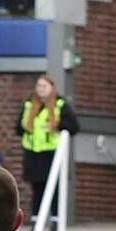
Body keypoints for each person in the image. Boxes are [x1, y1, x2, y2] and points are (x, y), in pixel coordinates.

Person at [19, 75, 77, 213]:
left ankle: (56, 222)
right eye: (39, 86)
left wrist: (57, 126)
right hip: (33, 153)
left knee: (54, 189)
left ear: (52, 88)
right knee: (37, 189)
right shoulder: (29, 104)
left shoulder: (60, 104)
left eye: (44, 86)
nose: (41, 89)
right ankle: (35, 222)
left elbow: (73, 126)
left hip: (52, 153)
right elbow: (19, 127)